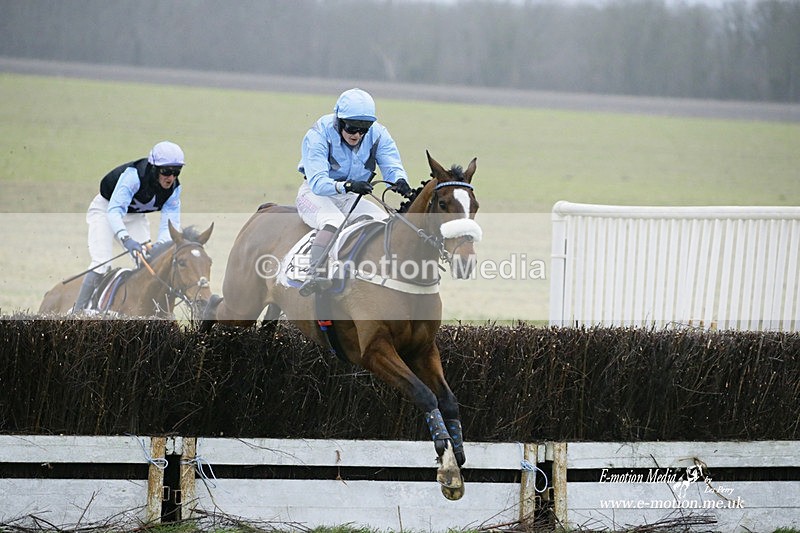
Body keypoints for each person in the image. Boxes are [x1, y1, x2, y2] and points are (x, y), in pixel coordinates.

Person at [296, 88, 412, 296]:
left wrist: (399, 181)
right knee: (332, 221)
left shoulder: (379, 134)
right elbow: (318, 182)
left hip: (351, 197)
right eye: (352, 128)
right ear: (339, 120)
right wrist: (348, 185)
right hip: (316, 194)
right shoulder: (318, 133)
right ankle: (313, 274)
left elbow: (391, 164)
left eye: (364, 129)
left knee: (383, 222)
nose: (357, 135)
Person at [72, 141, 185, 313]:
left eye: (176, 172)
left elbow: (170, 224)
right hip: (106, 211)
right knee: (101, 262)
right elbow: (114, 211)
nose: (171, 177)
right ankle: (77, 312)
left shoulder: (174, 189)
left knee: (149, 260)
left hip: (134, 217)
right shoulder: (133, 176)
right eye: (166, 171)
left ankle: (143, 310)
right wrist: (126, 239)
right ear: (154, 169)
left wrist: (160, 246)